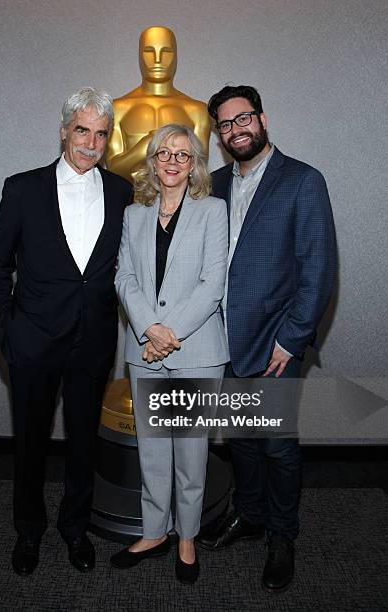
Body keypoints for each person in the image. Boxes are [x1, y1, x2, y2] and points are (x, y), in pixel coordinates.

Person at [0, 87, 133, 576]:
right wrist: (7, 331)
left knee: (84, 443)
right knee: (29, 443)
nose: (91, 142)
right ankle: (28, 530)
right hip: (32, 343)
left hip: (92, 342)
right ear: (65, 130)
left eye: (101, 133)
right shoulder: (22, 188)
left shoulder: (121, 192)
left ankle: (75, 529)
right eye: (82, 130)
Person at [198, 85, 337, 592]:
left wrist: (293, 339)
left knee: (276, 444)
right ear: (219, 134)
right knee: (241, 441)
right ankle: (249, 515)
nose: (237, 130)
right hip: (225, 341)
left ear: (263, 119)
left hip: (275, 345)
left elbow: (318, 269)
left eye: (244, 119)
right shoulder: (211, 184)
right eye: (226, 125)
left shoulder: (301, 180)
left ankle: (282, 533)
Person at [111, 124, 229, 584]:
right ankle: (155, 531)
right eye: (164, 152)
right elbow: (124, 280)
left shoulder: (212, 210)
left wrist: (169, 332)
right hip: (145, 350)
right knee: (154, 451)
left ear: (195, 162)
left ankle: (187, 536)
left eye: (183, 154)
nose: (173, 161)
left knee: (192, 453)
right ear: (152, 161)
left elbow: (212, 285)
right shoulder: (134, 215)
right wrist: (149, 328)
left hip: (196, 351)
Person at [106, 26, 210, 182]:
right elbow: (113, 169)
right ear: (139, 56)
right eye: (149, 51)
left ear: (176, 56)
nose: (157, 59)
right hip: (130, 203)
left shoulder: (198, 111)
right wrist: (147, 145)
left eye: (166, 51)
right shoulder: (117, 108)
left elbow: (198, 169)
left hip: (183, 203)